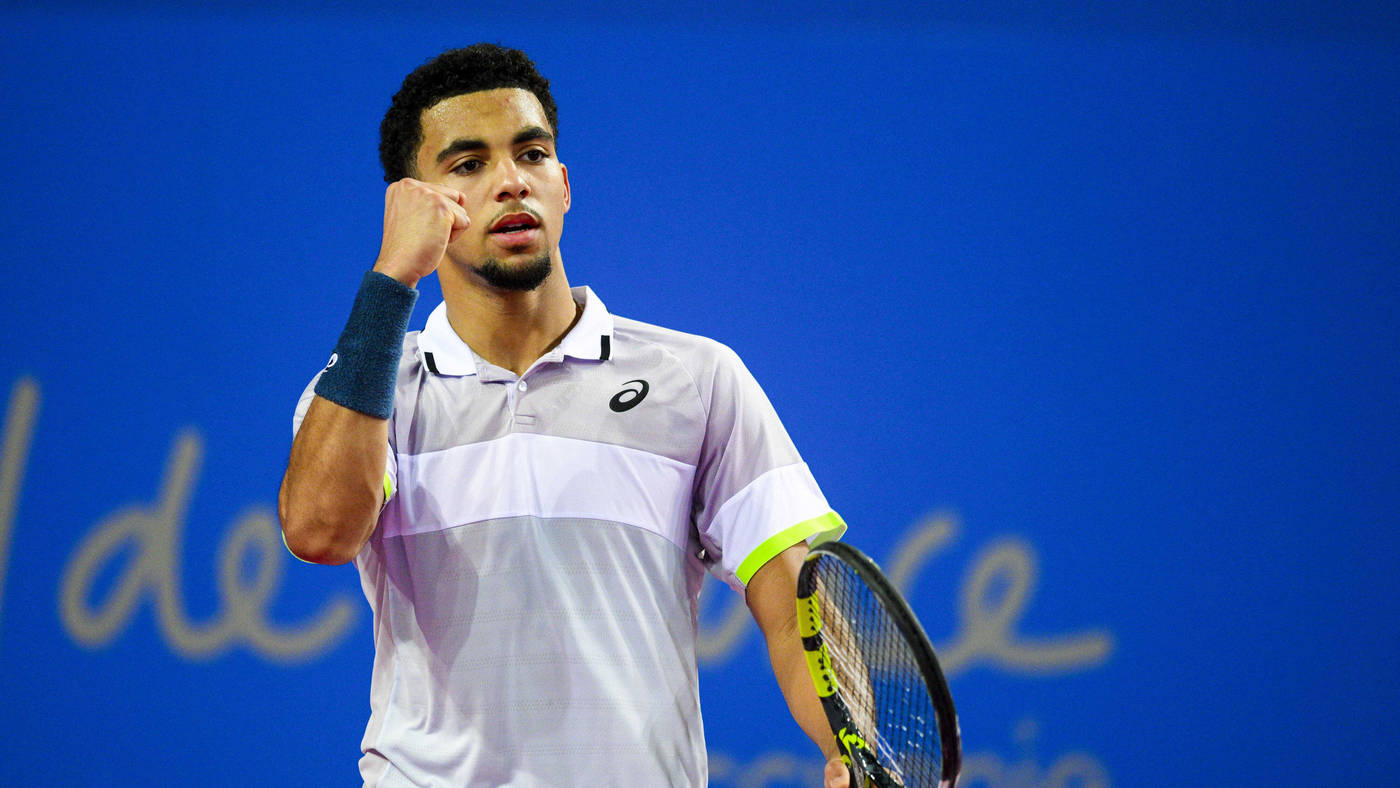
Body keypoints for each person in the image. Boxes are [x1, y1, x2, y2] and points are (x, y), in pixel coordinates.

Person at [278, 43, 850, 787]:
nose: (511, 181)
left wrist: (850, 749)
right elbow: (320, 532)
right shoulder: (368, 391)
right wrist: (393, 278)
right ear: (414, 205)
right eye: (468, 164)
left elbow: (794, 602)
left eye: (532, 154)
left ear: (564, 185)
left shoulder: (697, 378)